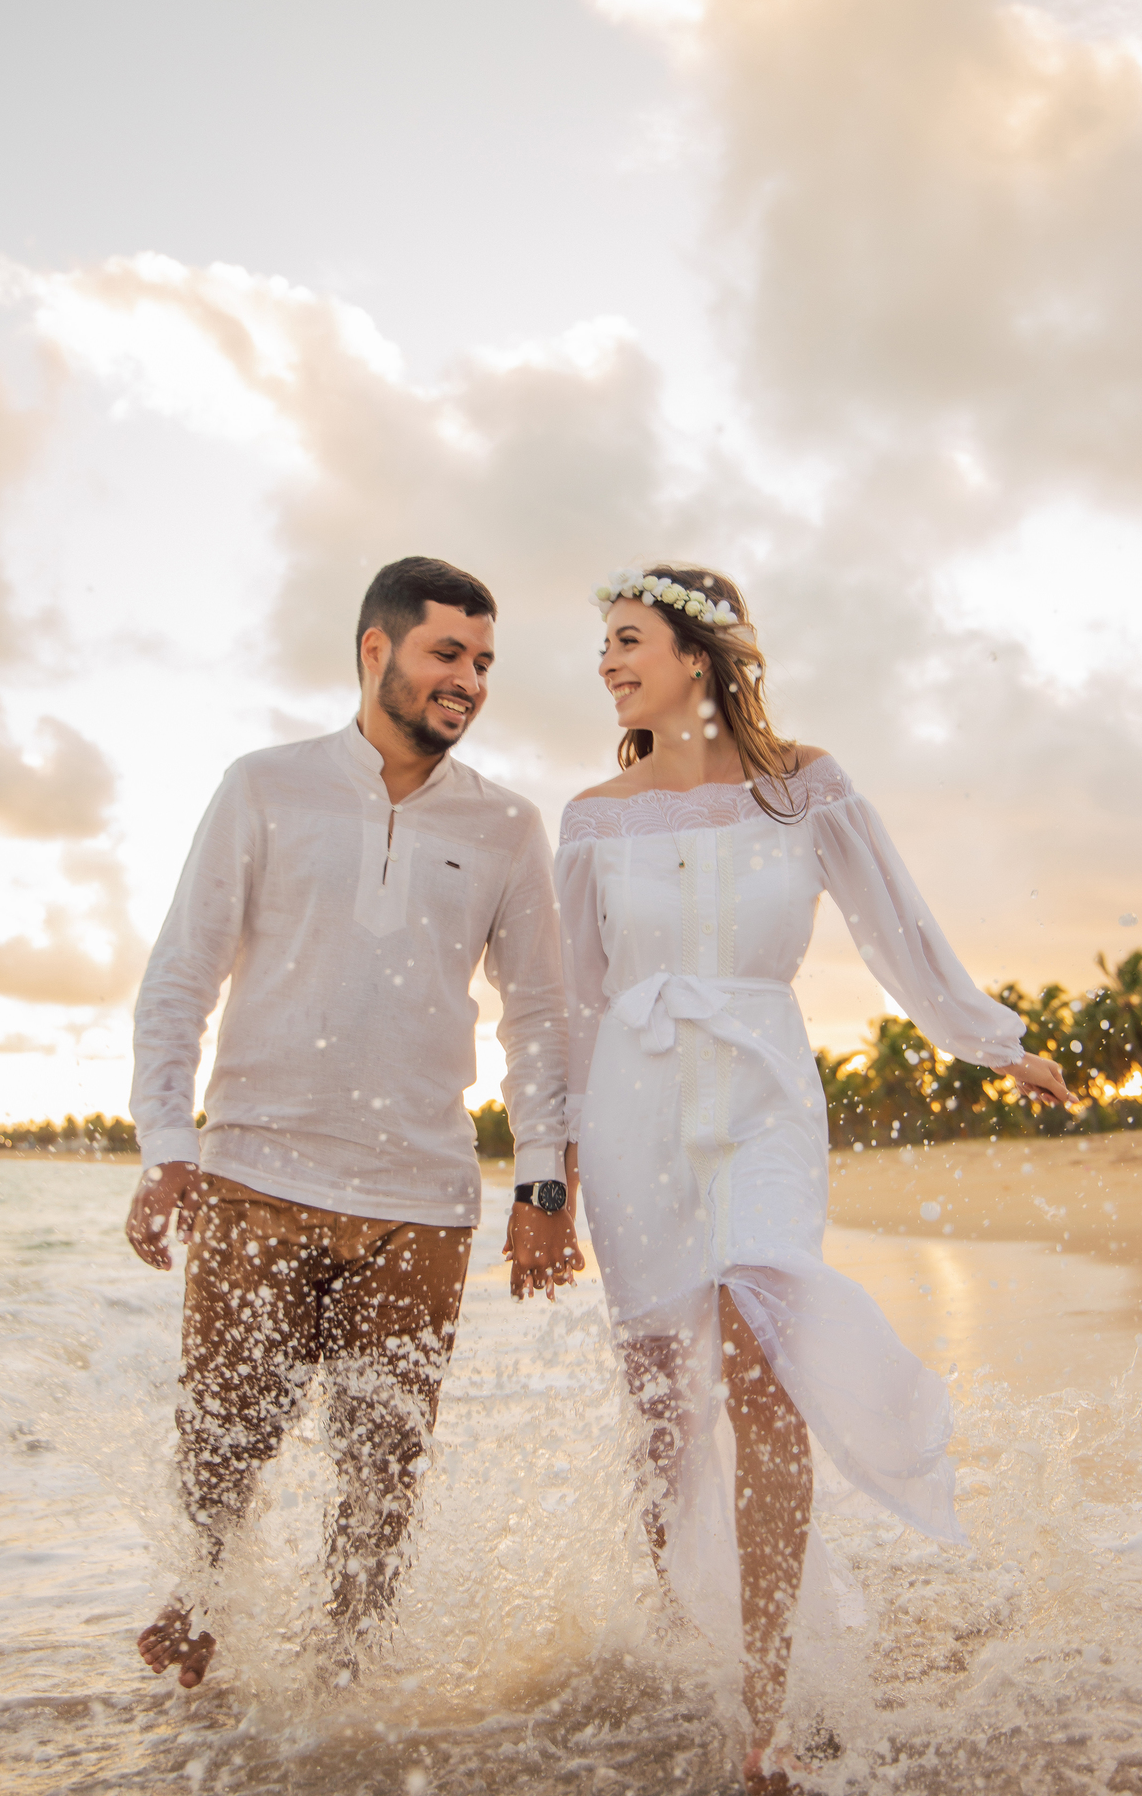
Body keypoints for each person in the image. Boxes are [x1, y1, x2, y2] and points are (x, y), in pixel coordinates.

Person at [555, 565, 1067, 1794]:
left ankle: (765, 1703)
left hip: (764, 1098)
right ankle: (687, 1644)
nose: (610, 663)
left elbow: (898, 923)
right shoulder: (590, 816)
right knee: (665, 1413)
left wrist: (991, 1039)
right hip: (635, 1106)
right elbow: (571, 1006)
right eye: (607, 646)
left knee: (764, 1366)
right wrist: (549, 1175)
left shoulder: (805, 789)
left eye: (628, 640)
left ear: (698, 652)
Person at [125, 555, 582, 1690]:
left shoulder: (510, 826)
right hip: (257, 1180)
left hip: (420, 1204)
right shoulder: (265, 786)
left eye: (482, 663)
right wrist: (167, 1148)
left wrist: (541, 1187)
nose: (468, 681)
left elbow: (540, 1019)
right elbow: (183, 970)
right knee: (222, 1449)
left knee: (383, 1478)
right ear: (376, 651)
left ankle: (346, 1695)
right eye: (446, 654)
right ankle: (198, 1652)